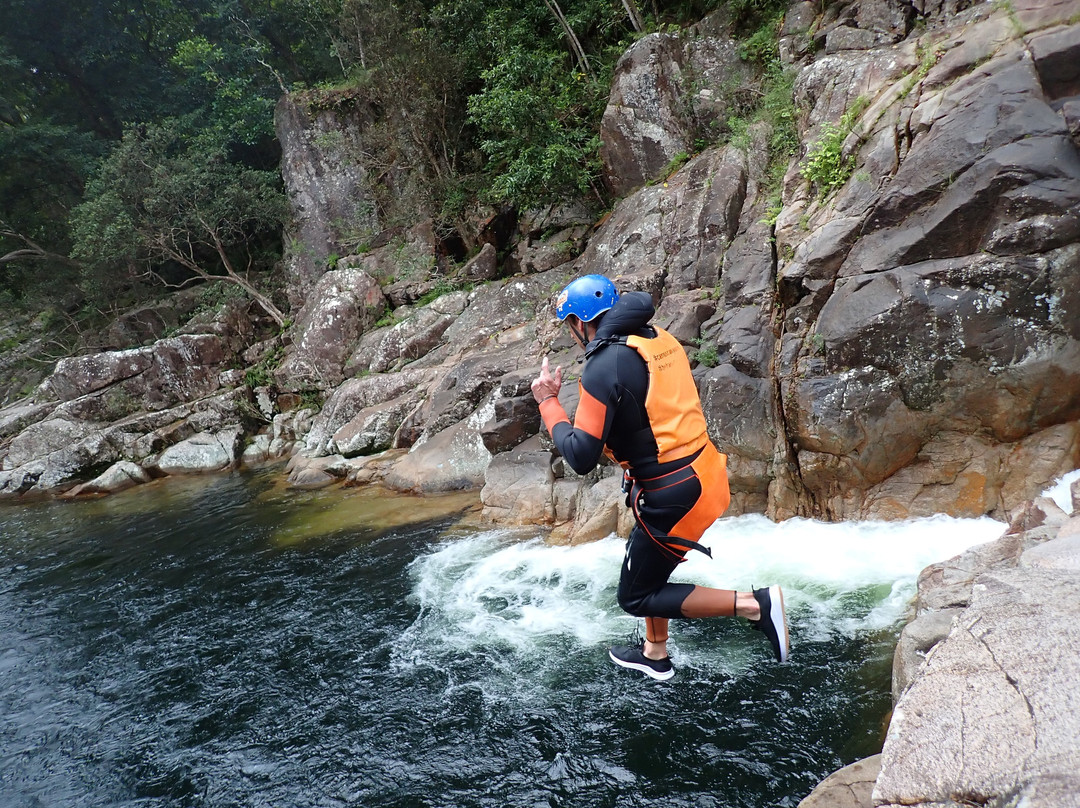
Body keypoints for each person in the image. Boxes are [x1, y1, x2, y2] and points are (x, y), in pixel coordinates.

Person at [531, 274, 789, 680]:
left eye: (570, 325)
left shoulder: (602, 367)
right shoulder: (655, 338)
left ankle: (756, 605)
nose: (572, 333)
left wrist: (548, 402)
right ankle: (655, 653)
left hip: (675, 494)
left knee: (636, 595)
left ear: (581, 322)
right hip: (701, 473)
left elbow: (581, 455)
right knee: (649, 565)